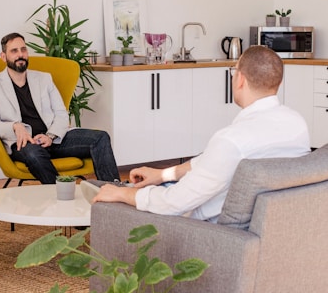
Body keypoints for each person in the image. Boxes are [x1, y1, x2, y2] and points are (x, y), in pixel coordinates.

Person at [88, 45, 311, 222]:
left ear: (240, 79)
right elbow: (212, 163)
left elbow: (174, 203)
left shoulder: (232, 140)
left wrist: (123, 196)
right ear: (278, 82)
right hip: (264, 223)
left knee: (115, 194)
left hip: (206, 228)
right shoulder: (297, 125)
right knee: (140, 186)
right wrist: (163, 174)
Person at [0, 32, 120, 184]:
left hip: (53, 139)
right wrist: (15, 127)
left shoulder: (44, 78)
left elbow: (61, 113)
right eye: (14, 51)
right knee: (35, 155)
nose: (20, 54)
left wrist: (51, 136)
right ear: (3, 56)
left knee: (100, 137)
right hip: (23, 143)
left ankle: (113, 192)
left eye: (23, 49)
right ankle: (61, 196)